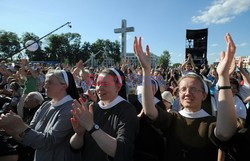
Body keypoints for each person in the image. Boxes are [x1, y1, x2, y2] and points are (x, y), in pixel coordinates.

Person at [133, 33, 237, 161]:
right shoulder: (173, 118)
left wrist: (223, 76)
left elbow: (225, 133)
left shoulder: (210, 122)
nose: (187, 93)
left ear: (204, 95)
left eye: (193, 89)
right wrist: (146, 70)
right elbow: (150, 111)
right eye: (183, 89)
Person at [0, 69, 80, 161]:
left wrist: (21, 126)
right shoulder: (46, 105)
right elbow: (31, 134)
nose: (45, 86)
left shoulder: (71, 108)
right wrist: (13, 130)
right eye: (45, 82)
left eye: (50, 82)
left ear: (64, 86)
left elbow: (49, 142)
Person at [70, 68, 139, 161]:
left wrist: (91, 127)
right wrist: (79, 134)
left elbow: (122, 151)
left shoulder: (127, 110)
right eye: (98, 84)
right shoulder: (92, 108)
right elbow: (74, 147)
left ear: (118, 87)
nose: (99, 88)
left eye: (105, 84)